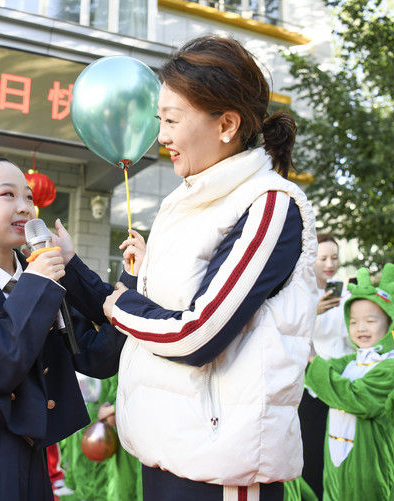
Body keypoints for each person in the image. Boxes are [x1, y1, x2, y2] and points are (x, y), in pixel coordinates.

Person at [52, 36, 319, 500]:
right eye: (160, 121)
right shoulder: (184, 204)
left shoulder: (270, 205)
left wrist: (120, 308)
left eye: (172, 120)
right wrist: (71, 266)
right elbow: (141, 313)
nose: (161, 137)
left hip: (222, 469)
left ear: (226, 124)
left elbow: (196, 334)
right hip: (167, 453)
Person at [0, 155, 125, 500]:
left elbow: (99, 358)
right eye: (8, 195)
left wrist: (73, 266)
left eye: (29, 197)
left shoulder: (43, 275)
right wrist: (37, 286)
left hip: (33, 458)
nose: (25, 207)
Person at [305, 263, 394, 501]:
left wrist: (312, 359)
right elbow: (323, 372)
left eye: (370, 321)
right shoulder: (353, 361)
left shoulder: (389, 366)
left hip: (369, 473)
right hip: (336, 466)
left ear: (389, 322)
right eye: (353, 322)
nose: (360, 328)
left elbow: (355, 397)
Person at [297, 233, 353, 499]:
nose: (330, 264)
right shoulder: (300, 295)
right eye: (323, 258)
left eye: (334, 257)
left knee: (343, 450)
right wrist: (313, 311)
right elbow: (292, 335)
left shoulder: (348, 295)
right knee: (313, 450)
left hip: (342, 381)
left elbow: (352, 339)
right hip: (312, 382)